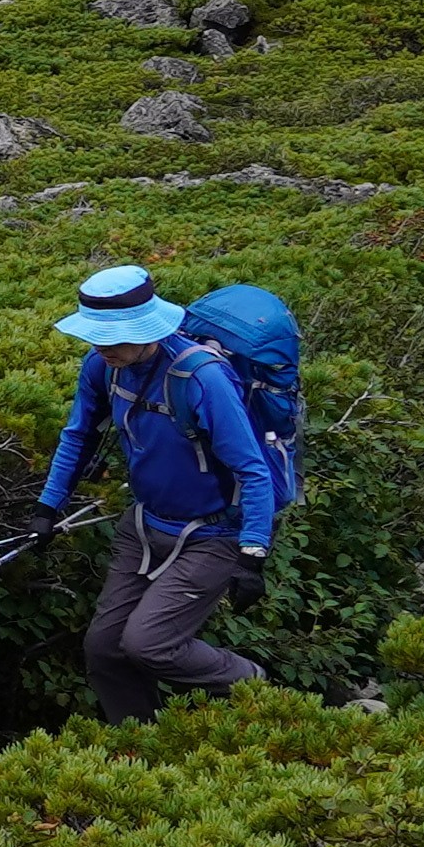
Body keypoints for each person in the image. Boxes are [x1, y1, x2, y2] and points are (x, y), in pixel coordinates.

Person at [38, 262, 282, 720]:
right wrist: (46, 507)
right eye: (96, 336)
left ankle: (254, 685)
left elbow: (252, 469)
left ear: (144, 326)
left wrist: (253, 552)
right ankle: (139, 745)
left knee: (149, 644)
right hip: (144, 524)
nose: (101, 346)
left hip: (214, 535)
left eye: (112, 336)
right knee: (104, 649)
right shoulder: (102, 365)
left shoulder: (202, 378)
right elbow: (77, 436)